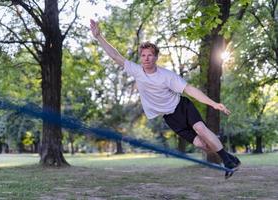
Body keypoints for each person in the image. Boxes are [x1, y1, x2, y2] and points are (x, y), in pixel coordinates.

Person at [90, 19, 240, 178]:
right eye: (143, 55)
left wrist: (213, 103)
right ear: (141, 57)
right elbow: (115, 56)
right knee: (202, 144)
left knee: (201, 129)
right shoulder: (137, 71)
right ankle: (230, 158)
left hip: (182, 107)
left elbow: (189, 89)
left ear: (156, 58)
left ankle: (227, 162)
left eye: (150, 55)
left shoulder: (167, 76)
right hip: (170, 118)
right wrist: (99, 36)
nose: (146, 58)